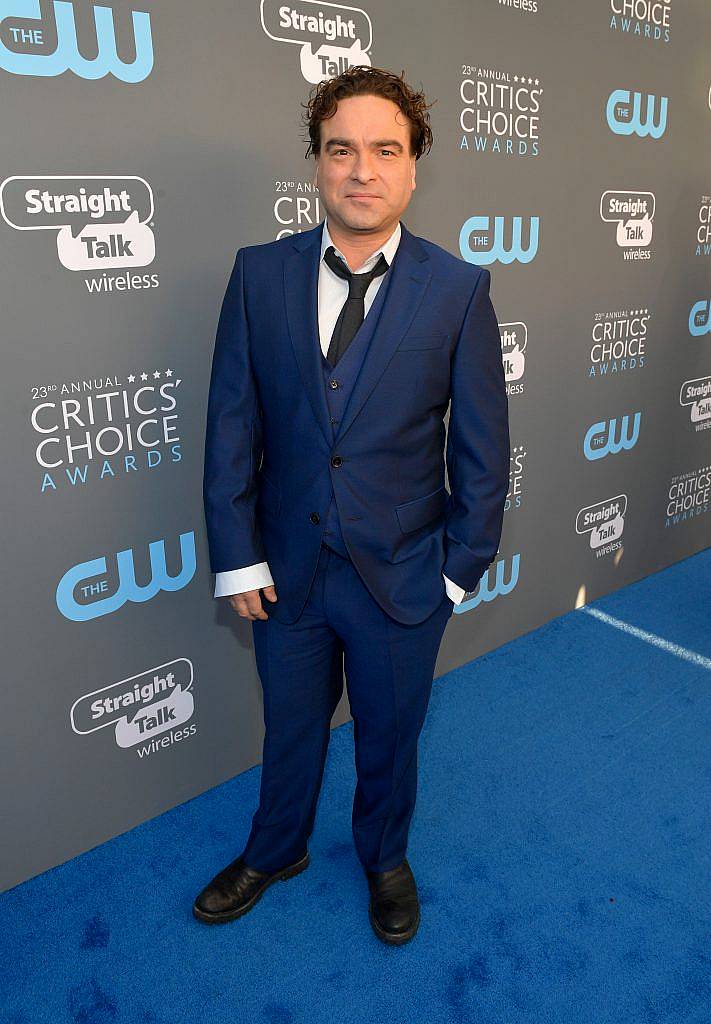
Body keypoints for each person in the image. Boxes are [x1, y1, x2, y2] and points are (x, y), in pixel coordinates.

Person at [194, 65, 510, 944]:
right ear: (316, 165)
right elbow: (229, 425)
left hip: (403, 577)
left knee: (389, 735)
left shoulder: (457, 290)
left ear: (413, 169)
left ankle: (383, 856)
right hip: (284, 573)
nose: (361, 170)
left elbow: (483, 453)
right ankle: (275, 847)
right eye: (342, 150)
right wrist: (237, 553)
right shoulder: (258, 276)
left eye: (384, 150)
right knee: (291, 727)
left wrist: (453, 575)